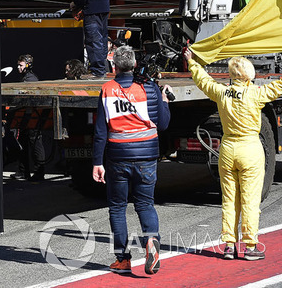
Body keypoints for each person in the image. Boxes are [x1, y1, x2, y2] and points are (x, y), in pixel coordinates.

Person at [183, 48, 282, 260]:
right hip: (250, 149)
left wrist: (192, 62)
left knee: (229, 199)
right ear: (249, 74)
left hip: (227, 149)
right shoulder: (256, 93)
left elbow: (204, 81)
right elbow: (279, 87)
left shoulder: (222, 92)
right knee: (250, 200)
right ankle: (249, 245)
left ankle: (228, 244)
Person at [93, 45, 171, 275]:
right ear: (135, 64)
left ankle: (122, 259)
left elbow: (100, 131)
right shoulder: (148, 87)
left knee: (117, 208)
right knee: (145, 204)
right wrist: (164, 101)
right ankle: (151, 241)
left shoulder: (107, 89)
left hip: (118, 156)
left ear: (114, 66)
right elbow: (164, 124)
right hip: (147, 155)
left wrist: (97, 162)